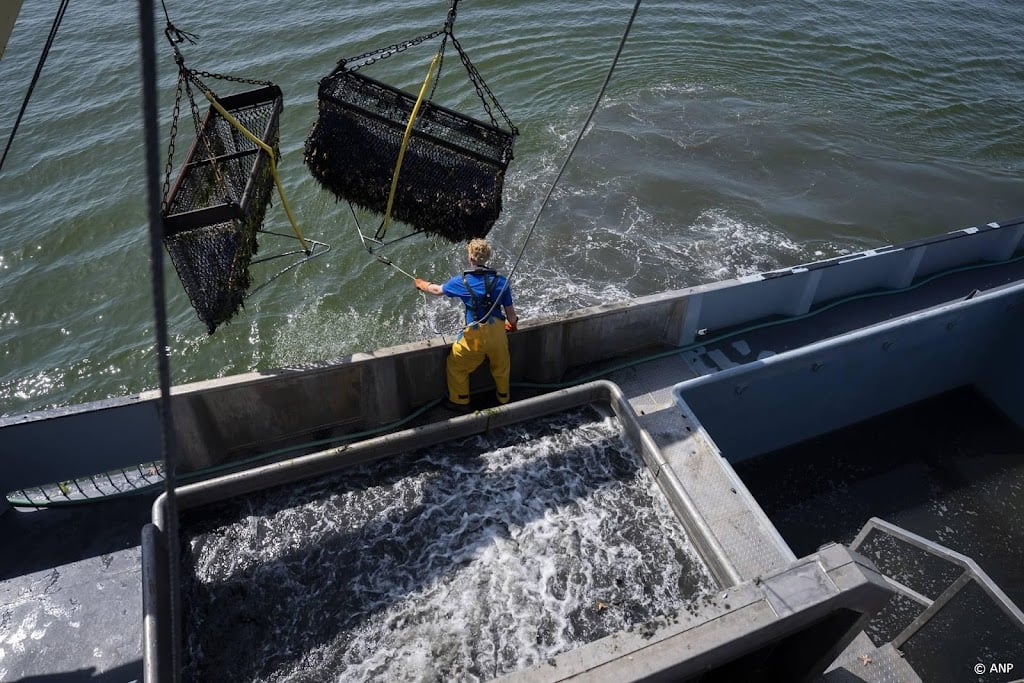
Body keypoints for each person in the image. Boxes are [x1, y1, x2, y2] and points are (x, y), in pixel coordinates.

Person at [415, 238, 518, 410]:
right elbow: (512, 316)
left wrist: (422, 284)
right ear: (488, 258)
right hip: (497, 336)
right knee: (501, 367)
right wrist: (512, 327)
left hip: (474, 338)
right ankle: (503, 398)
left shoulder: (461, 282)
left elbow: (437, 290)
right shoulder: (501, 282)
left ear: (470, 258)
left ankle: (460, 401)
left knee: (456, 366)